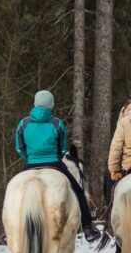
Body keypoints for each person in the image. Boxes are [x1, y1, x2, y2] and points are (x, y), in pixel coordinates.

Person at [14, 90, 100, 242]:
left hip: (31, 163)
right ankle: (87, 227)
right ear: (51, 105)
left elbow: (19, 148)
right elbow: (63, 148)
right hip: (54, 162)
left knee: (15, 192)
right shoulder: (57, 123)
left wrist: (30, 158)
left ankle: (13, 229)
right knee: (79, 192)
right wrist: (56, 158)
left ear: (35, 103)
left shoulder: (23, 123)